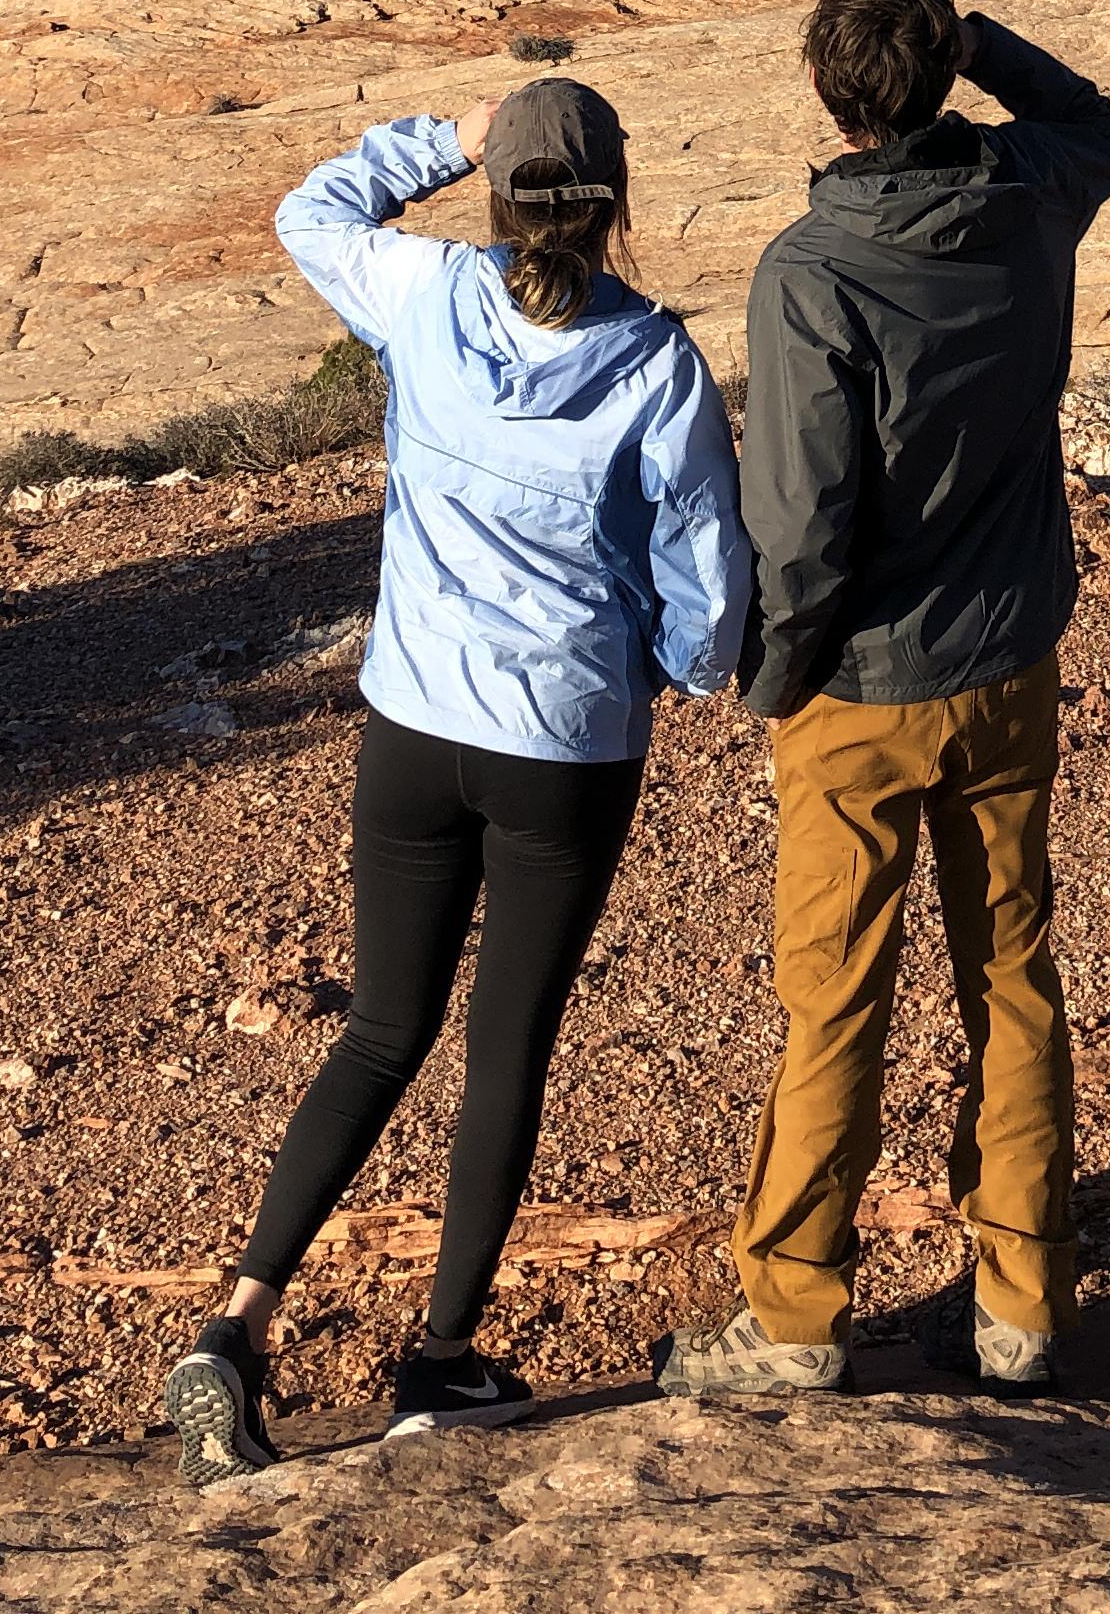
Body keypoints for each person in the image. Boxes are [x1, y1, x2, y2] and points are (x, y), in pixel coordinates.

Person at [164, 80, 750, 1487]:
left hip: (412, 724)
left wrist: (445, 135)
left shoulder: (427, 295)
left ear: (501, 197)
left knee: (379, 1028)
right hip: (566, 743)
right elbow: (708, 590)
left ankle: (237, 1329)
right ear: (615, 203)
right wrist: (665, 664)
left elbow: (310, 212)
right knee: (507, 1045)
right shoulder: (656, 365)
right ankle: (440, 1362)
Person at [655, 0, 1110, 1399]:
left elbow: (799, 524)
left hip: (859, 689)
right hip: (1006, 658)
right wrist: (978, 41)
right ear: (940, 73)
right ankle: (1024, 1306)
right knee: (1015, 981)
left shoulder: (813, 270)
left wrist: (771, 678)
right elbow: (1101, 123)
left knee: (836, 994)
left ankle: (797, 1316)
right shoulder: (1033, 192)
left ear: (825, 90)